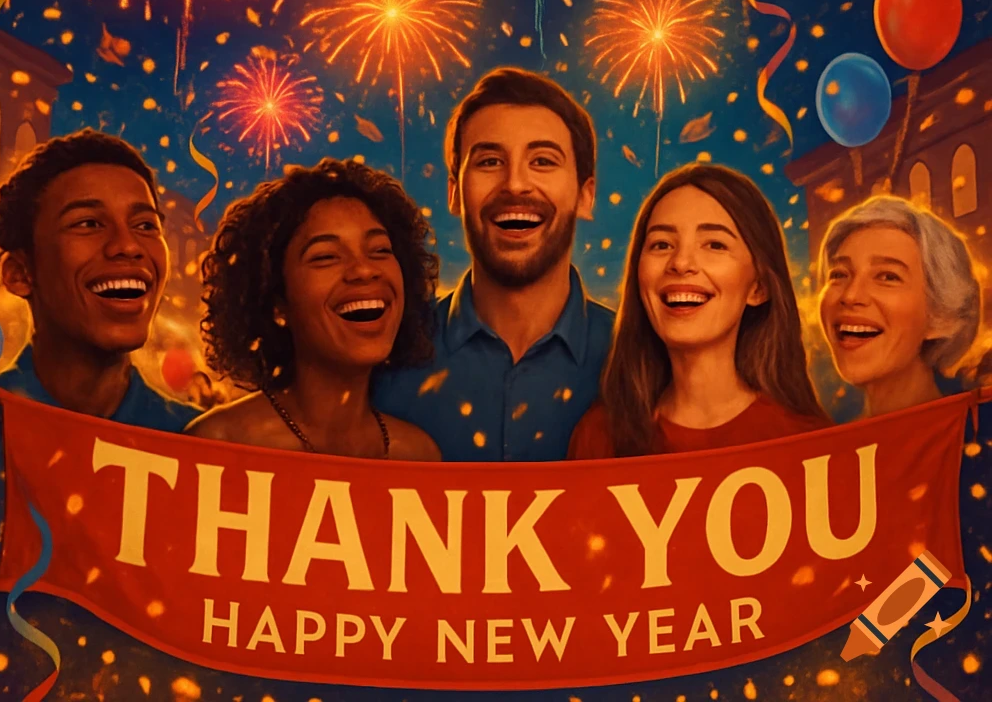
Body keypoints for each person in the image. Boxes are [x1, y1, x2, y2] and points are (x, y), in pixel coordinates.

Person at [372, 67, 614, 461]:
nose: (515, 184)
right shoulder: (384, 361)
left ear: (586, 196)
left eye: (543, 161)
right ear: (454, 193)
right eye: (488, 162)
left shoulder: (641, 361)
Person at [569, 163, 830, 458]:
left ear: (759, 288)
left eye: (715, 245)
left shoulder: (809, 445)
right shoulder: (599, 437)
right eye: (662, 244)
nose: (681, 263)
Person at [188, 158, 441, 460]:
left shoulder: (418, 455)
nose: (363, 269)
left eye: (380, 250)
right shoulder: (218, 445)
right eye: (325, 257)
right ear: (277, 304)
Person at [0, 129, 200, 431]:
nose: (128, 245)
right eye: (88, 223)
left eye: (145, 225)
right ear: (19, 274)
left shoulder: (199, 444)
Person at [818, 195, 982, 416]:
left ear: (942, 316)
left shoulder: (974, 437)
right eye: (839, 274)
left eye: (887, 277)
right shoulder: (825, 442)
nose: (850, 295)